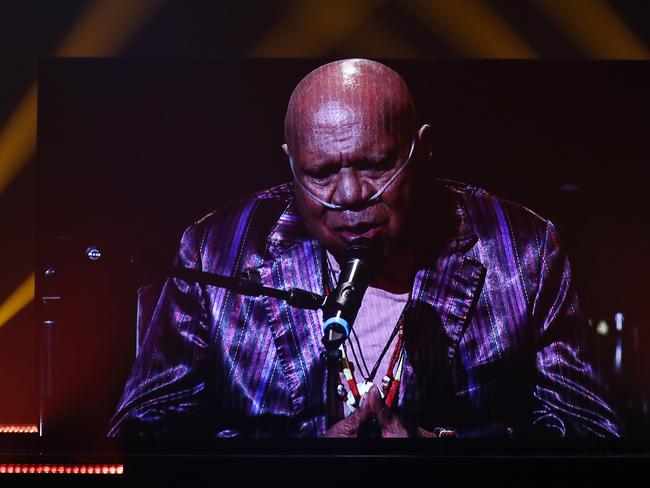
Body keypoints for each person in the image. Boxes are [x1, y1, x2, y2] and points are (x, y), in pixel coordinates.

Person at [108, 59, 619, 438]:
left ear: (422, 151)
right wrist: (298, 465)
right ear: (290, 163)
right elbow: (143, 432)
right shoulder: (215, 251)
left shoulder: (523, 252)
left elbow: (588, 431)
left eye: (375, 165)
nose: (350, 196)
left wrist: (446, 453)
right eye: (321, 173)